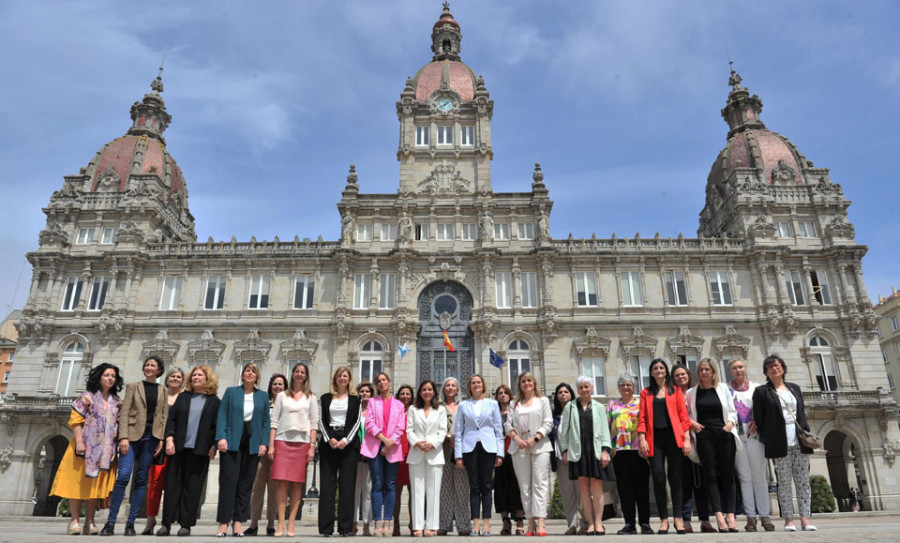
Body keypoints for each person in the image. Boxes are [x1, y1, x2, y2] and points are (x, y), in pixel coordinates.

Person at [50, 363, 123, 536]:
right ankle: (74, 521)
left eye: (113, 376)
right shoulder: (87, 397)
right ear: (98, 377)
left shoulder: (117, 402)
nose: (110, 378)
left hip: (105, 451)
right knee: (78, 483)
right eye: (106, 375)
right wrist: (79, 442)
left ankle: (90, 521)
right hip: (84, 448)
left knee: (95, 486)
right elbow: (76, 419)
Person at [100, 357, 167, 536]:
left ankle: (131, 523)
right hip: (131, 436)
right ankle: (110, 522)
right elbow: (125, 410)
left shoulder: (163, 390)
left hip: (151, 438)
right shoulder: (133, 386)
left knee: (141, 480)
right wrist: (123, 437)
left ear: (159, 369)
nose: (149, 367)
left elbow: (163, 416)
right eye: (146, 365)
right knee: (123, 476)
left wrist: (161, 438)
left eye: (153, 365)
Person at [752, 355, 817, 532]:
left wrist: (805, 431)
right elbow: (759, 418)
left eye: (777, 365)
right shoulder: (762, 392)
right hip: (778, 441)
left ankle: (805, 518)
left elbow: (801, 413)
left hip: (799, 440)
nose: (775, 368)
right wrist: (768, 437)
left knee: (803, 481)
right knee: (784, 481)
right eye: (770, 366)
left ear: (783, 368)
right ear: (766, 371)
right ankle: (789, 519)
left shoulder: (794, 388)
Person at [158, 364, 221, 537]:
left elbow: (217, 426)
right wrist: (169, 438)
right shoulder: (183, 397)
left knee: (192, 488)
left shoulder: (214, 401)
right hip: (178, 448)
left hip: (199, 451)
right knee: (171, 486)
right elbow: (172, 419)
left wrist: (214, 445)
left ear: (208, 379)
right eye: (194, 375)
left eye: (200, 375)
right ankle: (166, 524)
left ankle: (186, 524)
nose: (196, 378)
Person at [637, 358, 692, 534]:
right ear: (651, 373)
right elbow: (643, 418)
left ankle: (678, 518)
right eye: (655, 368)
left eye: (661, 368)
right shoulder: (646, 393)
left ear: (666, 371)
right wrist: (642, 438)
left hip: (673, 437)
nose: (659, 370)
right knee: (659, 479)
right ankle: (663, 519)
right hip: (655, 439)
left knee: (675, 479)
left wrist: (687, 439)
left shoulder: (674, 391)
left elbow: (683, 417)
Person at [685, 358, 740, 532]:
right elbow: (685, 414)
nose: (704, 372)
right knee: (710, 475)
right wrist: (692, 423)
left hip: (724, 434)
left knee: (728, 475)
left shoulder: (722, 389)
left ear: (713, 371)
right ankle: (718, 515)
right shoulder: (692, 392)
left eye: (707, 369)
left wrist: (729, 425)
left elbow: (732, 411)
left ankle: (730, 515)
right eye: (701, 370)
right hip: (704, 435)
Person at [215, 363, 270, 536]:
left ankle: (238, 522)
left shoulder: (262, 396)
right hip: (232, 439)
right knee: (228, 482)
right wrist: (221, 437)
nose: (250, 373)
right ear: (242, 374)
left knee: (245, 484)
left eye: (253, 371)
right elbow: (222, 415)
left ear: (257, 376)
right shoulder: (231, 392)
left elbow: (265, 422)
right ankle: (223, 523)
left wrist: (264, 442)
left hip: (252, 440)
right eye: (247, 370)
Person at [559, 376, 614, 535]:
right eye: (581, 387)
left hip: (596, 450)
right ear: (577, 390)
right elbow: (565, 431)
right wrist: (565, 451)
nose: (584, 390)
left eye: (587, 387)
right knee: (583, 488)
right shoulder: (570, 406)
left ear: (592, 389)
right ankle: (589, 523)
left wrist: (605, 451)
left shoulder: (598, 407)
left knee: (597, 487)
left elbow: (605, 430)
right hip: (578, 451)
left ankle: (598, 522)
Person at [269, 362, 318, 537]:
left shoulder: (311, 397)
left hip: (302, 442)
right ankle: (280, 523)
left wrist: (312, 446)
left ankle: (291, 523)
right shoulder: (282, 396)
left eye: (302, 372)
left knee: (297, 483)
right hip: (283, 440)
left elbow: (314, 423)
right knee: (281, 482)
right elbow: (274, 421)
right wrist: (271, 444)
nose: (299, 374)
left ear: (306, 376)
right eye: (296, 371)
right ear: (292, 374)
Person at [455, 374, 504, 536]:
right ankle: (475, 523)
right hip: (470, 448)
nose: (476, 385)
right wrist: (458, 455)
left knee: (487, 486)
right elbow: (459, 431)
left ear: (483, 385)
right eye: (473, 383)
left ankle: (487, 523)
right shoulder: (463, 405)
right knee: (474, 487)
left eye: (479, 382)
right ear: (469, 386)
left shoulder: (492, 404)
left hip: (488, 447)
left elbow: (498, 430)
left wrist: (500, 453)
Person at [728, 359, 773, 532]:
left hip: (755, 435)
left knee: (759, 475)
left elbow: (764, 410)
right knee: (744, 477)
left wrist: (758, 421)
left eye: (740, 367)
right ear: (730, 371)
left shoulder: (757, 388)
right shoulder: (727, 389)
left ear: (745, 368)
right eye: (734, 368)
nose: (738, 370)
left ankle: (765, 515)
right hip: (737, 436)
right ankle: (750, 516)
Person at [505, 372, 553, 536]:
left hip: (539, 446)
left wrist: (536, 437)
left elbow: (548, 422)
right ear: (519, 385)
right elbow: (508, 424)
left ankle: (541, 521)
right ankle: (530, 522)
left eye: (529, 381)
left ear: (534, 383)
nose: (526, 383)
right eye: (523, 381)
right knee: (525, 486)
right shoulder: (514, 403)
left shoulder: (543, 401)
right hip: (519, 446)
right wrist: (516, 438)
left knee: (539, 484)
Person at [318, 366, 362, 537]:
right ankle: (326, 528)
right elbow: (320, 419)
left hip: (348, 443)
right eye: (339, 376)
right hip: (329, 441)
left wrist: (345, 440)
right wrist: (329, 439)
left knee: (347, 486)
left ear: (349, 379)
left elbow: (357, 421)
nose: (342, 378)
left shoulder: (355, 399)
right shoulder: (326, 398)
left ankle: (345, 527)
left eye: (345, 376)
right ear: (335, 379)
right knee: (327, 486)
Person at [607, 374, 653, 535]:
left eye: (629, 385)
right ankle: (629, 524)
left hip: (639, 451)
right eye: (623, 385)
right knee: (625, 490)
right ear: (619, 388)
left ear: (634, 387)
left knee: (642, 489)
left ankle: (645, 523)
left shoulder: (641, 403)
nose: (626, 388)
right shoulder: (612, 404)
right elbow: (607, 426)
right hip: (619, 451)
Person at [362, 372, 405, 537]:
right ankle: (377, 522)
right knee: (377, 484)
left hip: (392, 448)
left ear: (389, 382)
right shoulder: (372, 402)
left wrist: (389, 443)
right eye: (378, 381)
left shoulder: (398, 405)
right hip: (375, 447)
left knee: (390, 485)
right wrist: (383, 439)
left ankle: (388, 522)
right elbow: (369, 423)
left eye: (384, 380)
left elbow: (400, 427)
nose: (381, 383)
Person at [671, 364, 713, 534]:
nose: (681, 377)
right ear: (672, 379)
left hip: (698, 440)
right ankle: (686, 520)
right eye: (677, 375)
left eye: (683, 374)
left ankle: (705, 519)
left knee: (701, 482)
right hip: (678, 442)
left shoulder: (696, 392)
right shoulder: (671, 395)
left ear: (688, 375)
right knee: (683, 482)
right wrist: (690, 423)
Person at [247, 373, 287, 536]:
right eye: (275, 384)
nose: (277, 387)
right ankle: (254, 522)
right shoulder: (264, 402)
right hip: (262, 447)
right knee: (257, 486)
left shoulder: (287, 403)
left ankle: (271, 522)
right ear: (270, 386)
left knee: (274, 487)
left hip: (280, 448)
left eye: (281, 384)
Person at [406, 380, 448, 537]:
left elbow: (442, 431)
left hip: (434, 454)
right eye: (424, 389)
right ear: (420, 392)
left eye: (430, 389)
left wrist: (432, 444)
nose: (427, 392)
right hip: (416, 453)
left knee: (433, 491)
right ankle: (417, 526)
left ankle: (432, 525)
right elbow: (409, 429)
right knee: (417, 491)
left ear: (434, 392)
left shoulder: (441, 410)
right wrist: (416, 442)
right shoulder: (413, 409)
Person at [549, 383, 588, 536]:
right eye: (560, 392)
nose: (563, 394)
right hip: (560, 458)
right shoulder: (554, 415)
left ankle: (584, 523)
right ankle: (572, 524)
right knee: (567, 493)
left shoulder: (578, 411)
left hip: (578, 457)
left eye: (566, 392)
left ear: (571, 394)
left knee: (581, 491)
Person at [438, 377, 471, 536]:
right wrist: (445, 436)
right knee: (444, 488)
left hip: (460, 450)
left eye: (453, 386)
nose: (450, 388)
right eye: (447, 385)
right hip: (442, 449)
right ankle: (443, 524)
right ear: (443, 389)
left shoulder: (463, 406)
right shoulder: (438, 407)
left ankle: (464, 524)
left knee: (462, 488)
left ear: (457, 389)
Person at [493, 385, 525, 536]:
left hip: (515, 452)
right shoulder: (493, 413)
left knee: (516, 487)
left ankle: (519, 520)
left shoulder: (516, 410)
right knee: (500, 488)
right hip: (499, 454)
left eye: (505, 392)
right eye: (500, 393)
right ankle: (505, 521)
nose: (503, 395)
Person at [352, 381, 375, 536]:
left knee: (368, 491)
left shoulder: (374, 412)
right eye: (362, 391)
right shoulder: (354, 411)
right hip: (354, 455)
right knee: (354, 491)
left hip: (369, 455)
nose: (364, 394)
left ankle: (367, 524)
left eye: (367, 391)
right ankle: (353, 523)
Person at [392, 384, 414, 536]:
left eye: (408, 394)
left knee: (414, 492)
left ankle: (414, 524)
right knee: (397, 492)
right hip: (397, 454)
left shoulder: (415, 411)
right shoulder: (394, 411)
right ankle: (396, 525)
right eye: (402, 393)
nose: (405, 396)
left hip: (412, 454)